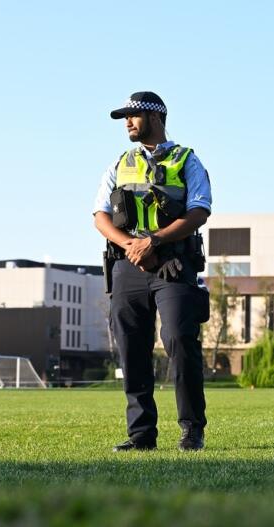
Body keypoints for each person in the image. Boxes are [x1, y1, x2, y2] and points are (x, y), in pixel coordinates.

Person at [92, 91, 212, 452]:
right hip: (128, 265)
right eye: (124, 117)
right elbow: (100, 215)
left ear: (155, 117)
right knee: (131, 347)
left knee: (178, 339)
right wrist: (131, 246)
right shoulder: (119, 163)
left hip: (173, 263)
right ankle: (141, 435)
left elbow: (199, 211)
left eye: (133, 115)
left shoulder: (187, 160)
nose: (127, 122)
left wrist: (154, 242)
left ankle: (192, 430)